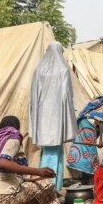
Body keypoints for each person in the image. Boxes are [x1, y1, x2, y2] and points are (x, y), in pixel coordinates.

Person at [29, 42, 78, 191]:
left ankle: (44, 185)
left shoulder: (39, 70)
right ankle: (51, 187)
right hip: (57, 117)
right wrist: (69, 117)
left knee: (47, 149)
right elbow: (67, 96)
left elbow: (33, 97)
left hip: (42, 117)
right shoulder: (63, 70)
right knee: (55, 152)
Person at [67, 91, 103, 183]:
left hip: (84, 122)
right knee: (90, 150)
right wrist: (101, 140)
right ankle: (90, 176)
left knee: (84, 148)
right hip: (89, 125)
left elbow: (100, 123)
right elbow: (101, 120)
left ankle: (85, 177)